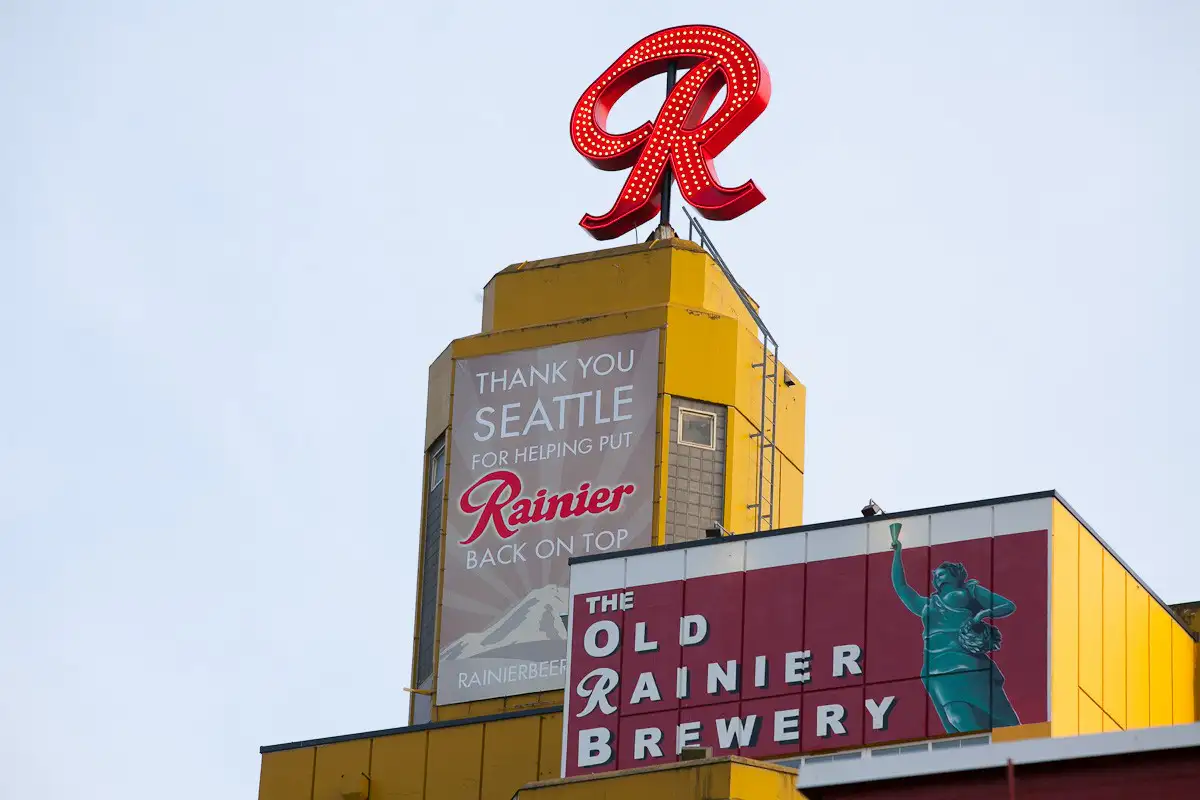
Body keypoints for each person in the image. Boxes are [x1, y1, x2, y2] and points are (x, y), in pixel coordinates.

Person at [889, 521, 1021, 733]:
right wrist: (897, 553)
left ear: (955, 574)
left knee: (1002, 719)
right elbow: (902, 588)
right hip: (937, 667)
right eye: (935, 575)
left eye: (941, 573)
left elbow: (1008, 605)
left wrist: (983, 614)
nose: (936, 577)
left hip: (967, 663)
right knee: (957, 719)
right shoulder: (927, 604)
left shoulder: (970, 591)